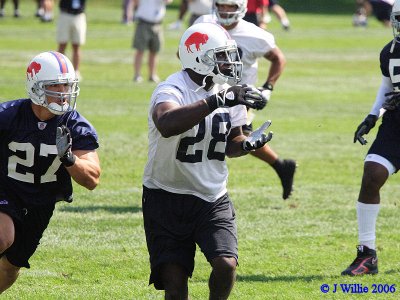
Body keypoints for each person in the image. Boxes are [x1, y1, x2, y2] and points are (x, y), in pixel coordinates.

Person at [142, 22, 271, 299]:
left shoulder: (227, 89)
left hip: (212, 195)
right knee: (175, 285)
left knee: (226, 264)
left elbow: (231, 143)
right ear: (199, 57)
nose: (228, 62)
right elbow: (167, 123)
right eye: (221, 56)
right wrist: (217, 101)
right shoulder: (171, 88)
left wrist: (247, 144)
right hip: (165, 195)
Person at [0, 51, 101, 293]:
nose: (62, 91)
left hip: (41, 203)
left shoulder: (75, 125)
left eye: (66, 84)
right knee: (3, 237)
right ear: (35, 86)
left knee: (11, 266)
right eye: (54, 84)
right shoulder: (8, 116)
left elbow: (92, 179)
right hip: (7, 190)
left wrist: (69, 158)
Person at [196, 0, 296, 200]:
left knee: (227, 139)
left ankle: (206, 190)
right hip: (204, 92)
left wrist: (267, 88)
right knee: (229, 138)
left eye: (230, 6)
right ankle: (281, 166)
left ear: (241, 7)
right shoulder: (204, 24)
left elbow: (279, 58)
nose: (224, 10)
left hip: (239, 98)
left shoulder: (254, 34)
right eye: (221, 5)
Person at [341, 0, 400, 276]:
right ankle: (367, 254)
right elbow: (387, 85)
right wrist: (372, 115)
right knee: (372, 173)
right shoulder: (389, 52)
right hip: (396, 123)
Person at [132, 0, 173, 83]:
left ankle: (152, 75)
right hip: (143, 23)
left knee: (154, 51)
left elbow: (168, 1)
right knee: (140, 50)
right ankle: (137, 75)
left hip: (157, 24)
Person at [57, 0, 87, 81]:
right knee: (62, 44)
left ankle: (76, 71)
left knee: (76, 45)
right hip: (65, 13)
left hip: (78, 15)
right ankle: (61, 71)